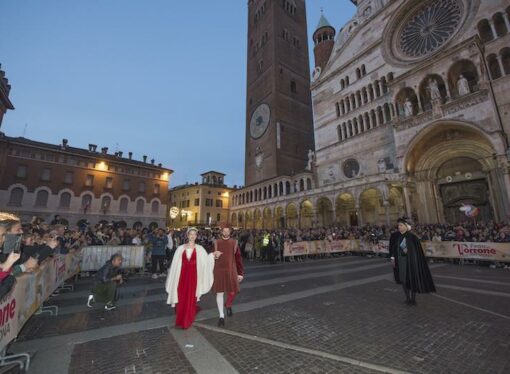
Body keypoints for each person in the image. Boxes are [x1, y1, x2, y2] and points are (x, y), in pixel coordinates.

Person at [165, 227, 219, 329]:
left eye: (194, 234)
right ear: (187, 235)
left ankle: (187, 320)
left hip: (193, 278)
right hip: (181, 278)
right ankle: (180, 318)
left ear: (196, 236)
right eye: (191, 234)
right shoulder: (180, 249)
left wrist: (212, 255)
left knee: (190, 298)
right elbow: (175, 265)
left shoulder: (200, 249)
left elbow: (206, 262)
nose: (192, 236)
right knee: (181, 298)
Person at [389, 218, 436, 305]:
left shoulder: (413, 237)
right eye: (398, 225)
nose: (399, 227)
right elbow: (392, 249)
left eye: (401, 225)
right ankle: (407, 298)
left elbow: (416, 251)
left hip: (411, 262)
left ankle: (413, 299)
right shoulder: (395, 236)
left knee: (412, 279)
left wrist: (410, 254)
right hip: (400, 262)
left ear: (406, 227)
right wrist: (392, 259)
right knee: (403, 280)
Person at [213, 224, 244, 326]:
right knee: (220, 293)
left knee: (233, 290)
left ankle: (228, 304)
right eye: (224, 231)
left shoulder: (234, 242)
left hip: (231, 270)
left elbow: (238, 259)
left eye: (228, 231)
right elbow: (210, 256)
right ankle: (221, 316)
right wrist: (214, 256)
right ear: (221, 232)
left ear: (230, 232)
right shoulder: (216, 242)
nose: (226, 233)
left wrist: (240, 273)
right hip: (219, 270)